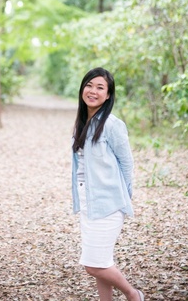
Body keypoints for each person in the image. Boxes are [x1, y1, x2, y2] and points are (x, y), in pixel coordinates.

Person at [72, 67, 144, 301]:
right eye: (89, 85)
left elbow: (127, 164)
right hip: (88, 202)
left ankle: (133, 295)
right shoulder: (83, 123)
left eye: (100, 87)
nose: (92, 91)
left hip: (109, 204)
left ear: (109, 95)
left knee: (92, 265)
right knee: (101, 261)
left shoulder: (112, 125)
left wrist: (124, 198)